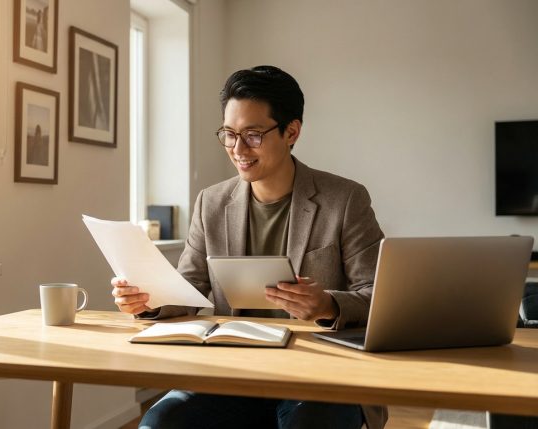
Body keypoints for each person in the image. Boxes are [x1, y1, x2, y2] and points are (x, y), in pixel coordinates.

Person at [110, 65, 387, 429]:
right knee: (159, 422)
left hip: (320, 374)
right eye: (229, 134)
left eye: (253, 135)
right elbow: (189, 289)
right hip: (232, 370)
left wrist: (328, 304)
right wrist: (149, 302)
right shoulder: (211, 202)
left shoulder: (345, 199)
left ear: (291, 132)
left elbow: (380, 297)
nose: (238, 149)